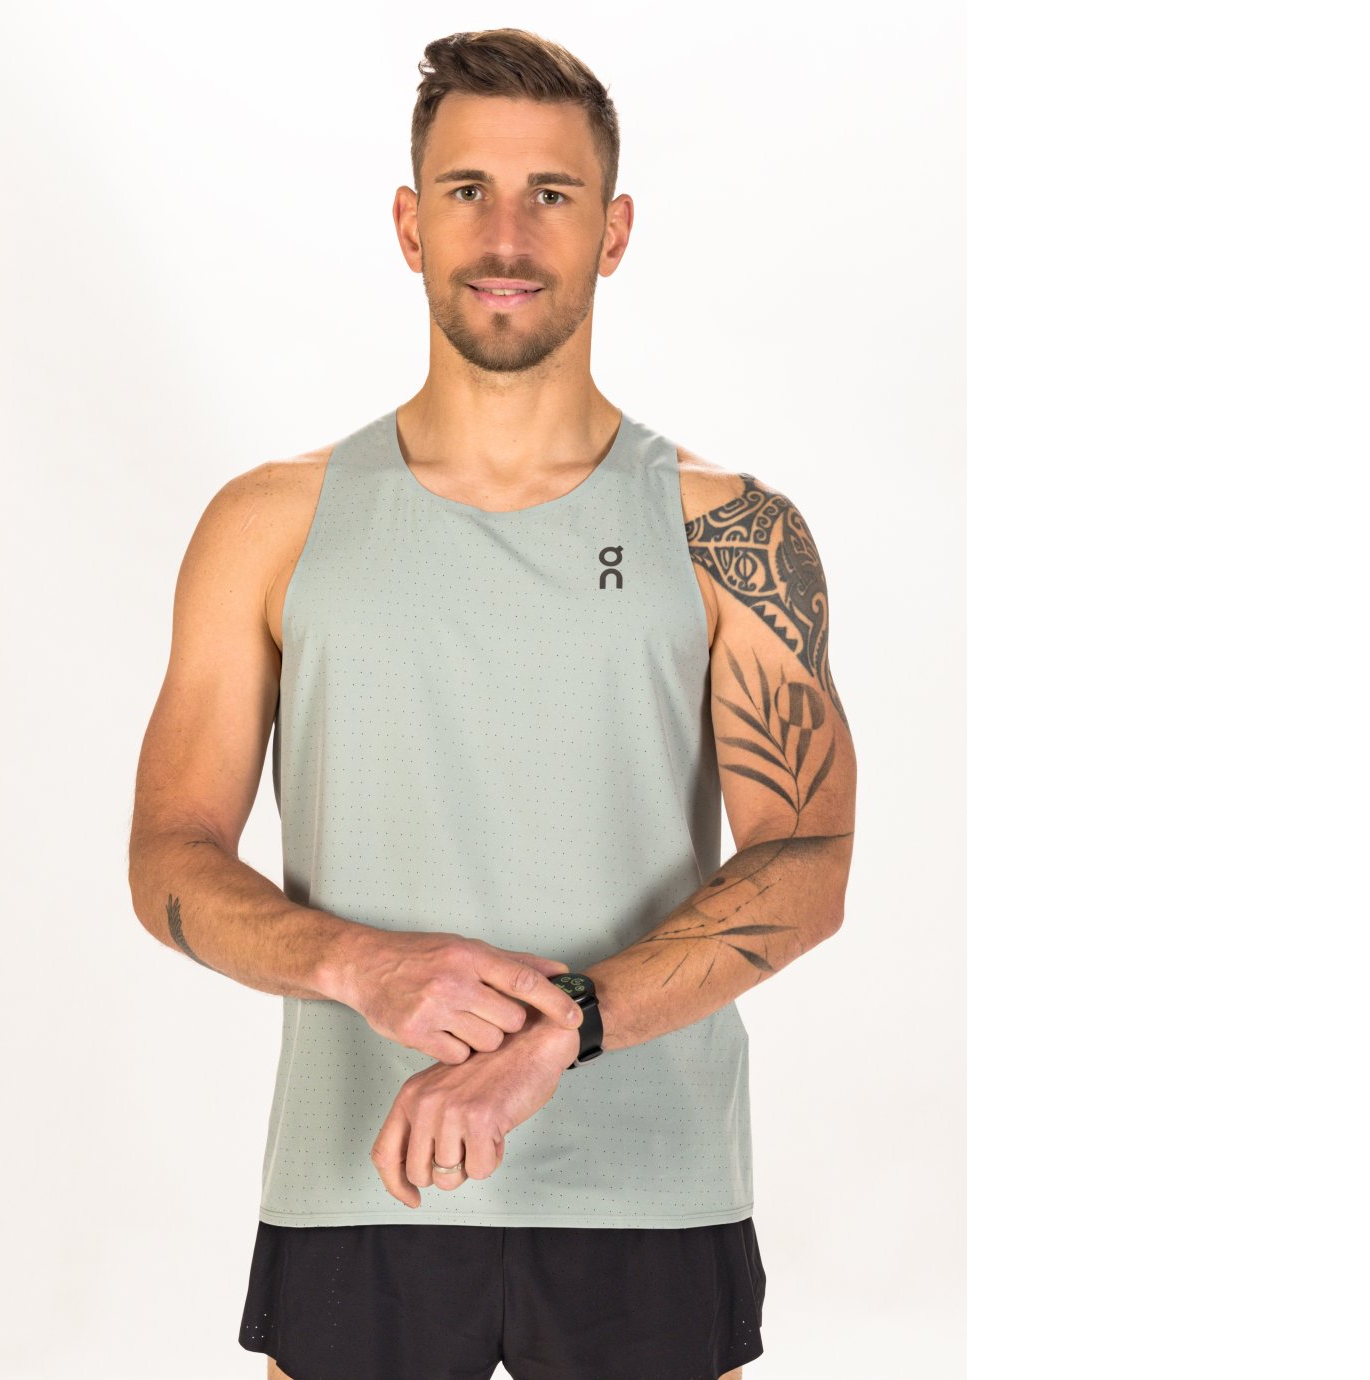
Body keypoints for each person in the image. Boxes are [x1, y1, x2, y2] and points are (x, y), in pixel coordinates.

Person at [126, 26, 857, 1380]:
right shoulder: (270, 523)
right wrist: (362, 966)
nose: (506, 234)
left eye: (551, 194)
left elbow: (807, 865)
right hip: (359, 1181)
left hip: (651, 1186)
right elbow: (168, 855)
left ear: (613, 231)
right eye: (468, 190)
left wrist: (558, 1031)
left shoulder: (730, 533)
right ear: (411, 223)